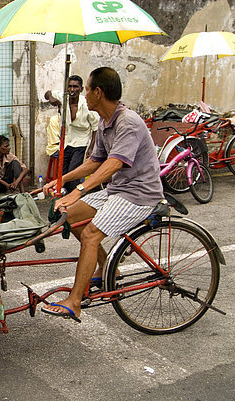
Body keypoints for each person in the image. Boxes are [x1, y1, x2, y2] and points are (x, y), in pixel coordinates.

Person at [41, 67, 164, 322]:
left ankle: (74, 302)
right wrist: (61, 179)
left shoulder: (127, 122)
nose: (84, 94)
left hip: (138, 194)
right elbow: (95, 161)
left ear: (98, 92)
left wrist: (79, 190)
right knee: (71, 216)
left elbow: (114, 164)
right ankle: (108, 266)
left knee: (90, 235)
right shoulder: (106, 121)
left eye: (86, 89)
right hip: (119, 189)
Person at [45, 75, 99, 192]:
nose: (72, 90)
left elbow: (96, 128)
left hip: (81, 143)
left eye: (75, 87)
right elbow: (47, 93)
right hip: (65, 142)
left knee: (73, 173)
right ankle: (63, 197)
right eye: (69, 87)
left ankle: (73, 197)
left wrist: (91, 148)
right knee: (62, 173)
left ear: (81, 89)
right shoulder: (63, 98)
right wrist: (51, 99)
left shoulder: (87, 104)